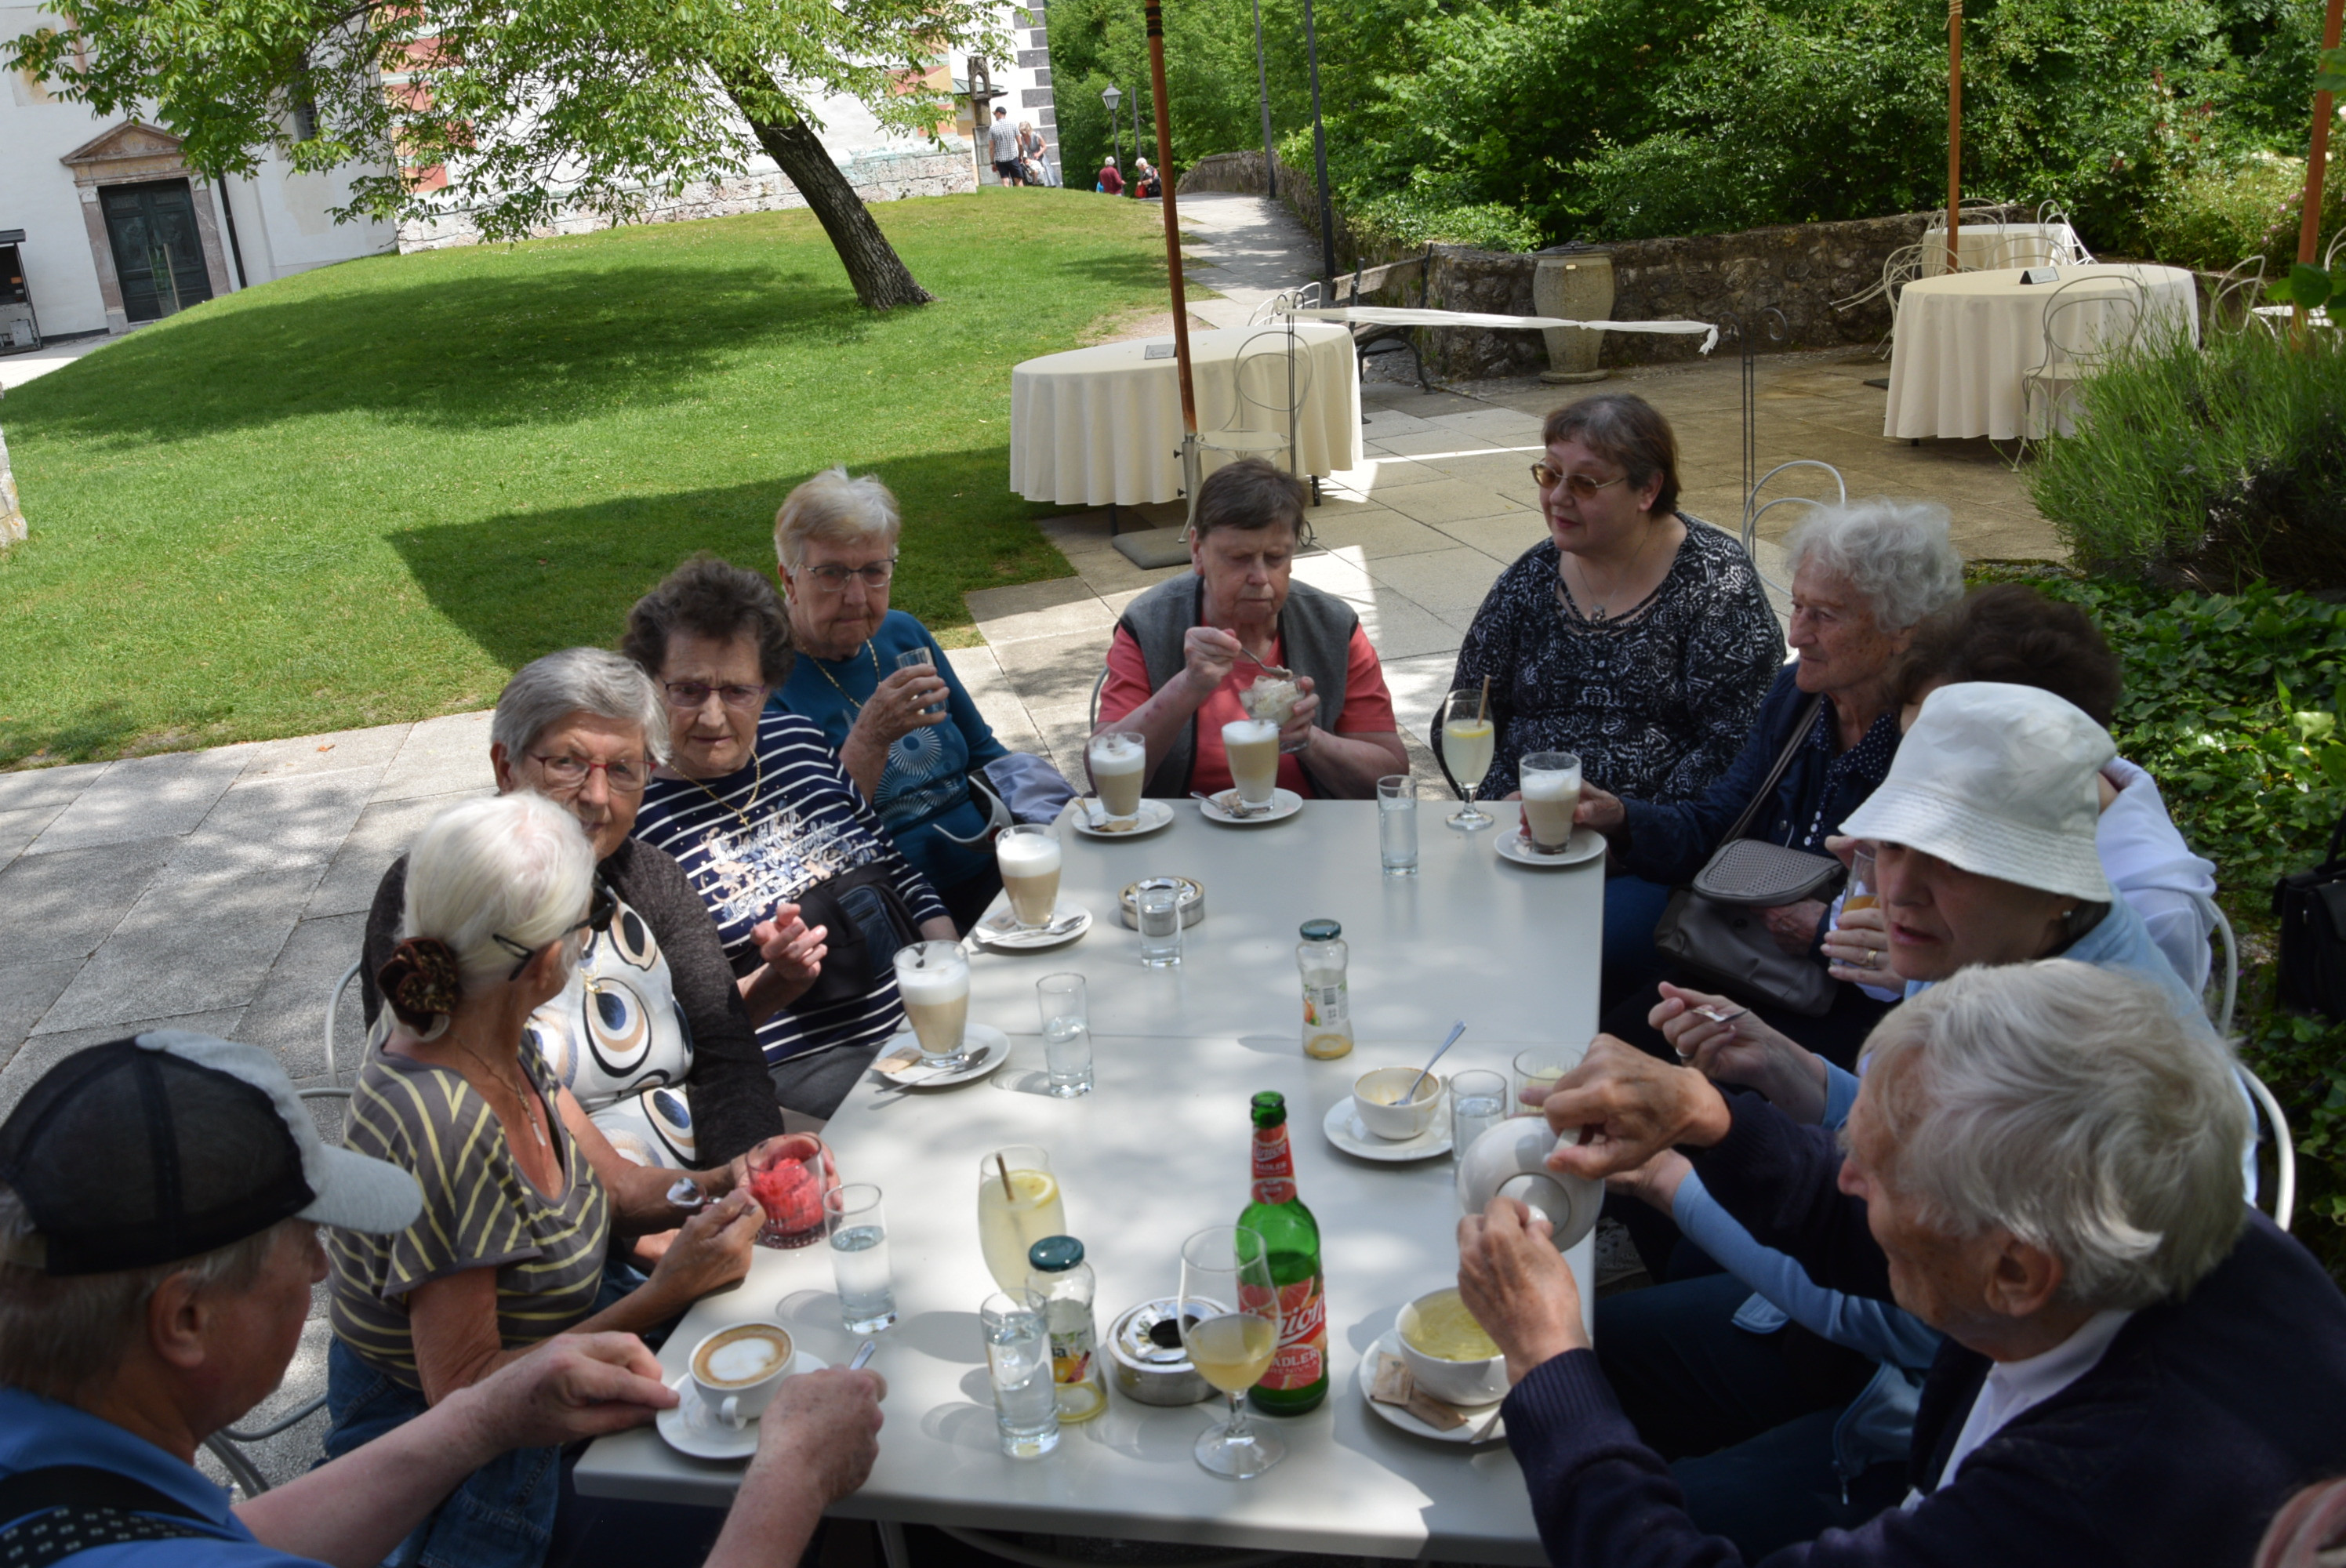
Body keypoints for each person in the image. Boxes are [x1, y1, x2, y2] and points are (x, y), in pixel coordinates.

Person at [1596, 683, 2235, 1550]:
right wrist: (1792, 1071)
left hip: (1926, 1399)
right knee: (1599, 1351)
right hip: (1900, 1338)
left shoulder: (2076, 1048)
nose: (1893, 889)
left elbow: (1898, 1301)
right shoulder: (2013, 939)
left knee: (1626, 1476)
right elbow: (1908, 1157)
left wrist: (1677, 1171)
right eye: (1886, 848)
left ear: (2057, 874)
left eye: (1948, 860)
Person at [1462, 960, 2346, 1568]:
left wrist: (1547, 1359)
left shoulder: (2079, 1497)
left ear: (2014, 1273)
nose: (1844, 1174)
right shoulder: (2173, 1223)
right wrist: (1712, 1119)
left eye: (1877, 1171)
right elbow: (1872, 1230)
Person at [0, 1029, 884, 1568]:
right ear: (185, 1319)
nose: (321, 1267)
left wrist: (486, 1415)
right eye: (303, 1236)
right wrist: (795, 1476)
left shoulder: (52, 1464)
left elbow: (238, 1533)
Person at [328, 793, 783, 1568]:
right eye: (589, 919)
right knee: (763, 1486)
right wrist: (666, 1290)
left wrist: (719, 1179)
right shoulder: (442, 1120)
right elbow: (466, 1393)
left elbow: (612, 1188)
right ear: (547, 960)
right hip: (467, 1466)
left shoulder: (483, 1027)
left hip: (562, 1361)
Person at [361, 648, 788, 1173]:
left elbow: (728, 1056)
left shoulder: (650, 879)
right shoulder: (443, 884)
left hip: (698, 1192)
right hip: (543, 1219)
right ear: (505, 766)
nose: (598, 796)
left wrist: (746, 1180)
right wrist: (648, 1231)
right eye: (568, 763)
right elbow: (459, 1107)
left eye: (625, 769)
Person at [1578, 496, 1964, 1065]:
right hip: (1741, 964)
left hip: (1855, 1010)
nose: (1796, 633)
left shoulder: (1933, 737)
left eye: (1825, 615)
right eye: (1798, 606)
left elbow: (1950, 930)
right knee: (1597, 1056)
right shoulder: (1798, 698)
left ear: (1901, 630)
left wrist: (1818, 932)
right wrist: (1622, 817)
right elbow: (1718, 824)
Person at [623, 555, 957, 1120]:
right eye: (687, 690)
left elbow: (900, 874)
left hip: (922, 1016)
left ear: (768, 686)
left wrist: (957, 971)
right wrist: (773, 978)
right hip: (801, 1069)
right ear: (651, 686)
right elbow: (679, 1029)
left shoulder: (798, 741)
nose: (712, 716)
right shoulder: (638, 822)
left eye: (736, 691)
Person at [1448, 394, 1781, 806]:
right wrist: (1506, 806)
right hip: (1522, 833)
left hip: (1656, 852)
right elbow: (1466, 710)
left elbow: (1737, 741)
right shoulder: (1531, 575)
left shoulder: (1714, 579)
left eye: (1585, 483)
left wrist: (1635, 828)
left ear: (1648, 490)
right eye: (1550, 474)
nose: (1558, 497)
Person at [1887, 581, 2216, 990]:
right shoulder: (1937, 842)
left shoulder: (2151, 908)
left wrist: (1917, 968)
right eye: (1912, 748)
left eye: (1950, 753)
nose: (1924, 778)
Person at [770, 467, 1012, 931]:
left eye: (874, 571)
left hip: (989, 868)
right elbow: (809, 839)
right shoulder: (765, 684)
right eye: (833, 574)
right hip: (884, 907)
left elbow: (984, 753)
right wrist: (871, 735)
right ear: (789, 578)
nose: (857, 596)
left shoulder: (903, 634)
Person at [1096, 457, 1407, 800]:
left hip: (1311, 837)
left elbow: (1390, 779)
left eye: (1276, 558)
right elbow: (1103, 777)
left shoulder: (1332, 625)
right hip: (1183, 838)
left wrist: (1308, 739)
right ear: (1198, 551)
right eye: (1239, 558)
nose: (1260, 578)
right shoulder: (1149, 623)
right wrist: (1187, 687)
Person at [989, 107, 1023, 185]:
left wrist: (992, 162)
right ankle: (1023, 196)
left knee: (1005, 180)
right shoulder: (1013, 125)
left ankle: (1007, 197)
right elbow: (1020, 144)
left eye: (995, 114)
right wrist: (1020, 156)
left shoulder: (992, 128)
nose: (995, 116)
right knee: (1018, 180)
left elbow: (991, 147)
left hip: (1000, 159)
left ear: (999, 113)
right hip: (1013, 157)